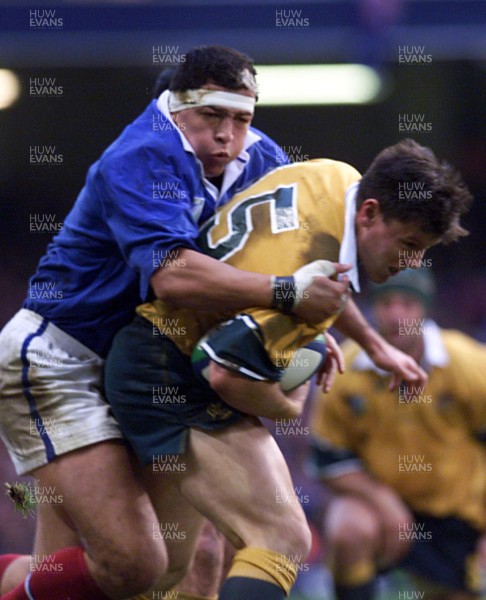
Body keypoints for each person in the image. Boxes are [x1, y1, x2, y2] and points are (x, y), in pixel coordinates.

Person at [0, 45, 350, 600]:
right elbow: (174, 278)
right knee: (136, 564)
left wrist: (318, 325)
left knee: (191, 559)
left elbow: (284, 254)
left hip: (140, 363)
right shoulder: (139, 156)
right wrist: (288, 296)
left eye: (240, 119)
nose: (226, 137)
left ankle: (26, 581)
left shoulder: (261, 159)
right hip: (59, 362)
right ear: (177, 107)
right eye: (212, 117)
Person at [103, 140, 472, 600]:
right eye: (410, 245)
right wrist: (286, 404)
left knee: (168, 570)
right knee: (281, 539)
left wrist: (372, 344)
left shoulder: (340, 177)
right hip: (170, 373)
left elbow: (331, 275)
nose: (412, 263)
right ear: (371, 213)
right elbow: (223, 375)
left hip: (156, 351)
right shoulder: (294, 285)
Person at [307, 268, 486, 600]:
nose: (396, 314)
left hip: (456, 517)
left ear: (425, 309)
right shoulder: (346, 367)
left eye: (407, 303)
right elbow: (328, 460)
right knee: (347, 526)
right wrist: (385, 502)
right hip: (380, 512)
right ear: (373, 309)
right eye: (387, 303)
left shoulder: (470, 365)